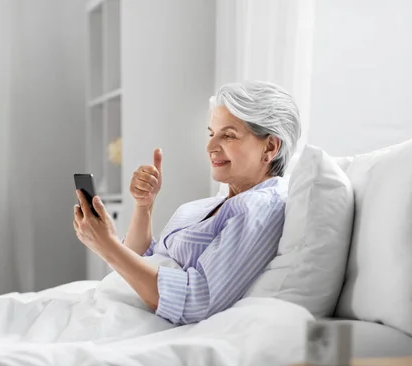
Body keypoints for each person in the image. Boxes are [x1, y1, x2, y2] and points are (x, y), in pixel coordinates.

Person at [74, 81, 301, 325]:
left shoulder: (260, 208)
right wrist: (144, 206)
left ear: (270, 146)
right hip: (107, 305)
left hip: (128, 320)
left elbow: (195, 301)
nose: (210, 147)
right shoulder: (213, 204)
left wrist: (107, 246)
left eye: (228, 135)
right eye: (212, 133)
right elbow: (142, 260)